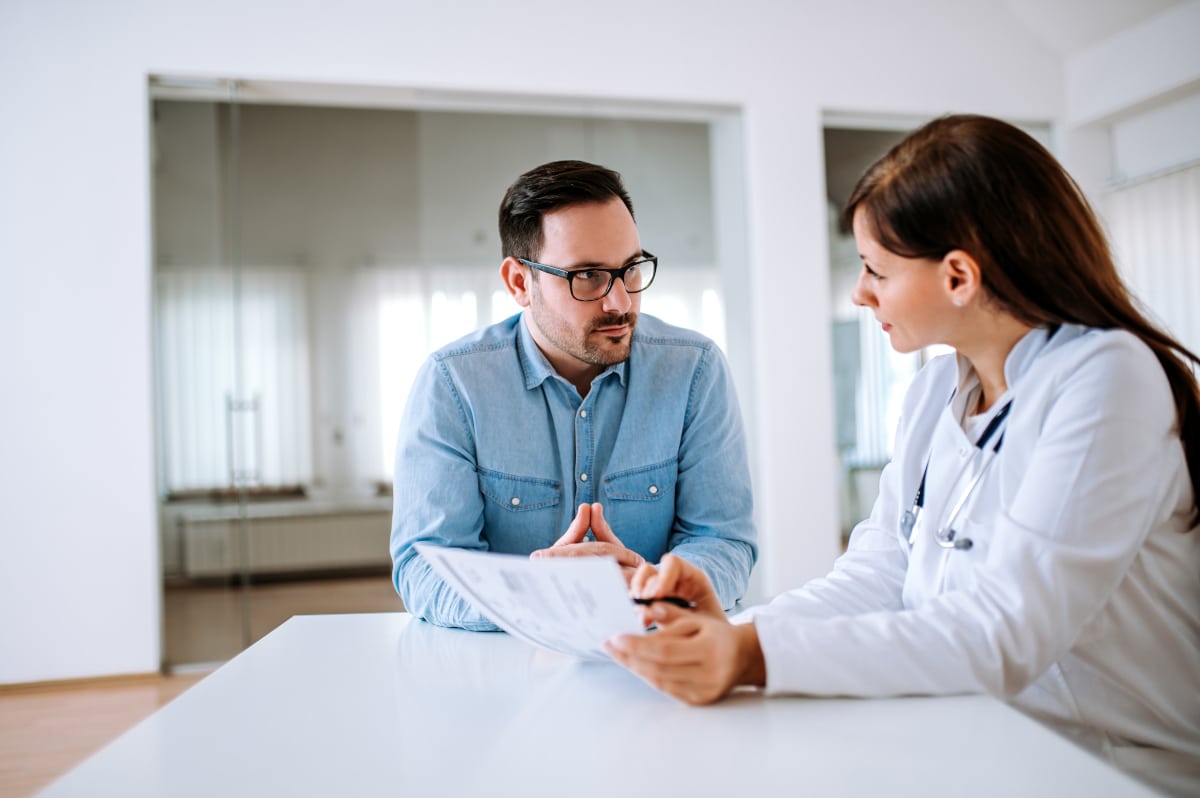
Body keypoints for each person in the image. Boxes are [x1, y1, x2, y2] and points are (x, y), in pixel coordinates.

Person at [605, 115, 1200, 796]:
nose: (859, 292)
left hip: (1117, 769)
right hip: (975, 741)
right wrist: (731, 630)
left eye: (875, 269)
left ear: (958, 276)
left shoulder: (1105, 378)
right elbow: (879, 576)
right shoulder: (934, 395)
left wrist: (750, 655)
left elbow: (1001, 632)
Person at [390, 160, 757, 632]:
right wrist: (540, 596)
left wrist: (650, 587)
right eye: (587, 276)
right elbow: (425, 568)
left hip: (657, 666)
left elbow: (725, 542)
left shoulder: (695, 370)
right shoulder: (452, 385)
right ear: (520, 283)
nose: (620, 302)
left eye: (630, 269)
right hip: (502, 675)